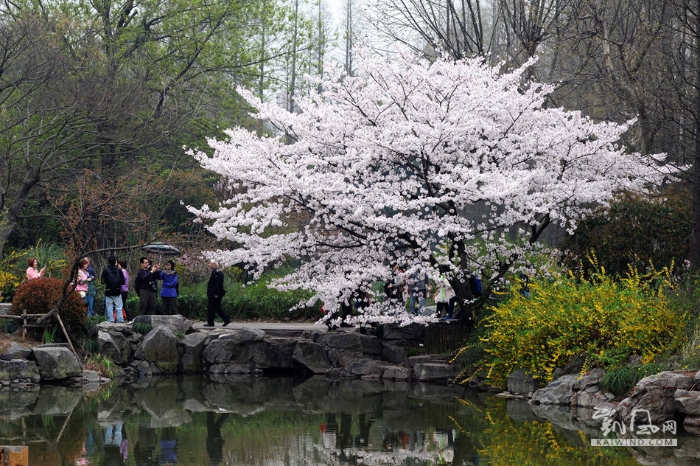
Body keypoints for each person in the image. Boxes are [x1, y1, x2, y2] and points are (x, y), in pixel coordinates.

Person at [206, 260, 230, 327]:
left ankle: (210, 322)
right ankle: (226, 319)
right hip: (216, 293)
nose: (209, 265)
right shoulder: (217, 271)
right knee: (217, 307)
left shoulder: (216, 272)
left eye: (210, 263)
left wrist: (216, 293)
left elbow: (217, 284)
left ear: (214, 264)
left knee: (211, 308)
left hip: (214, 294)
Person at [102, 255, 125, 323]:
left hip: (108, 291)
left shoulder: (105, 270)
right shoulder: (119, 270)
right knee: (119, 307)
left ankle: (110, 320)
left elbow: (102, 281)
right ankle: (120, 320)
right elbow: (123, 281)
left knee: (109, 307)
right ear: (115, 262)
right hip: (117, 291)